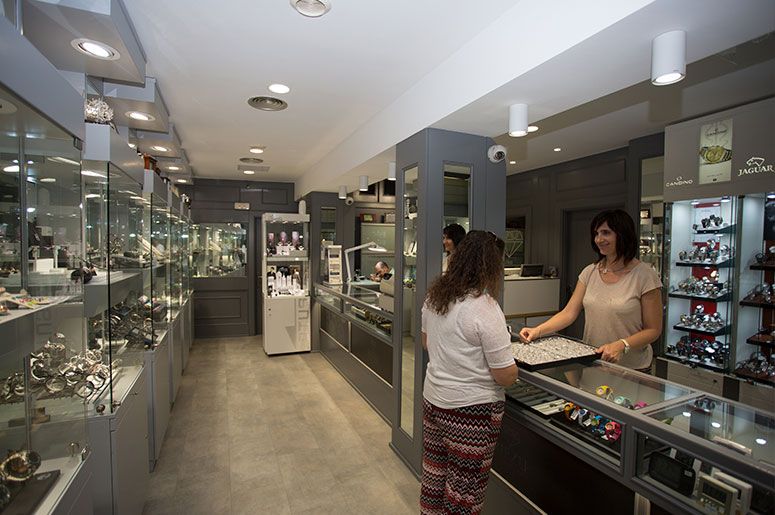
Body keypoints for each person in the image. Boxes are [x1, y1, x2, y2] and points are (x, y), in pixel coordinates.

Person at [421, 230, 517, 514]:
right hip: (471, 413)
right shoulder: (484, 308)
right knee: (464, 494)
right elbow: (505, 376)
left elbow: (427, 342)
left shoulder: (435, 297)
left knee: (434, 479)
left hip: (433, 401)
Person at [519, 209, 662, 372]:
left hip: (632, 369)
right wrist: (537, 331)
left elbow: (653, 330)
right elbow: (569, 313)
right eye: (596, 234)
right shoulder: (590, 272)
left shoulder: (645, 275)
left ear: (623, 234)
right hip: (594, 361)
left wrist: (622, 345)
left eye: (606, 233)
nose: (599, 239)